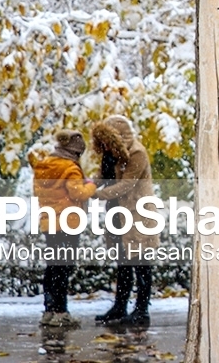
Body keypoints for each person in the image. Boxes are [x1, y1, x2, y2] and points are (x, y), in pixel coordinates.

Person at [91, 115, 157, 327]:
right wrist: (86, 186)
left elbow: (126, 185)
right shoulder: (110, 154)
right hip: (117, 212)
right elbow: (101, 177)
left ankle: (141, 310)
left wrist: (97, 195)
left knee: (141, 262)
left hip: (137, 213)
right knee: (123, 262)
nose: (106, 146)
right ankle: (120, 306)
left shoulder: (137, 153)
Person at [29, 129, 97, 328]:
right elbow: (78, 193)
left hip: (49, 223)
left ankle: (49, 310)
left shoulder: (43, 166)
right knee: (63, 268)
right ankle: (61, 311)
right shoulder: (71, 168)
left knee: (53, 268)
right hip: (68, 224)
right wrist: (91, 184)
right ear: (74, 151)